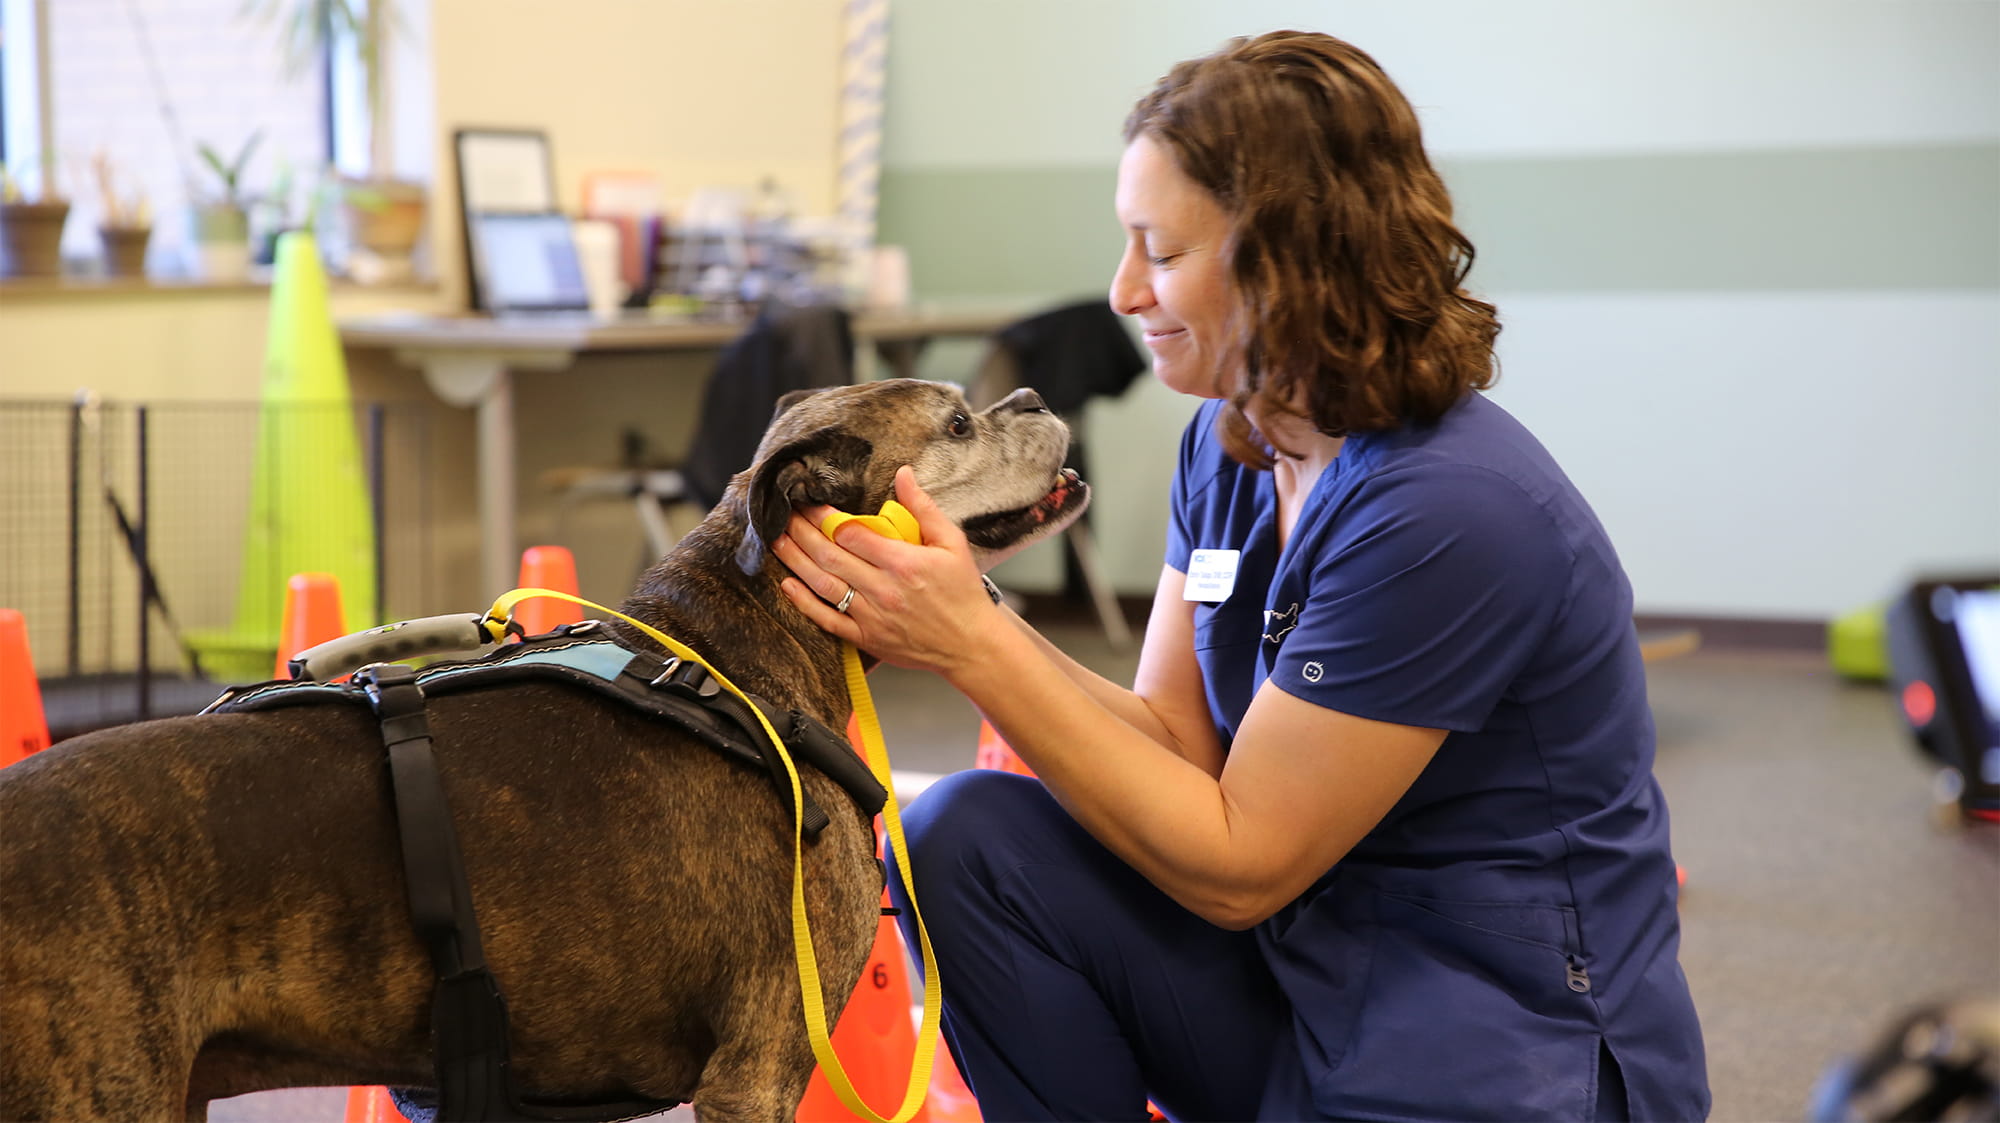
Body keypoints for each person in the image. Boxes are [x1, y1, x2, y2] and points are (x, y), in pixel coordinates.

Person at [774, 29, 1709, 1123]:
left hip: (1495, 1045)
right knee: (966, 836)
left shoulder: (1450, 508)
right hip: (1308, 978)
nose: (1124, 292)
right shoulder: (1233, 443)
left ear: (1293, 259)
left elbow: (1239, 864)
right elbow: (1178, 742)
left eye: (1161, 253)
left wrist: (971, 645)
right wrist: (960, 609)